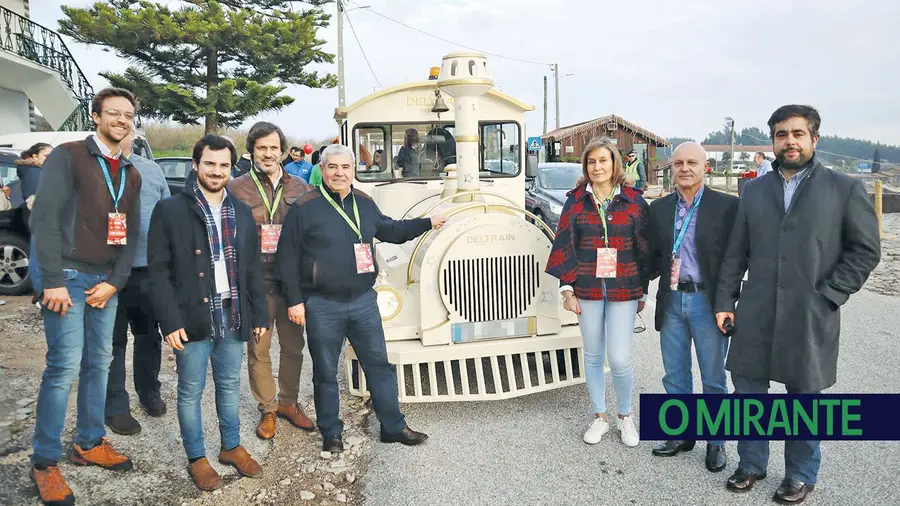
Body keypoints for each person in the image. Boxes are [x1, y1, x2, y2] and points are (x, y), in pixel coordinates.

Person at [715, 105, 881, 504]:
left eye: (797, 134)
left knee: (804, 397)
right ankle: (751, 464)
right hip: (755, 309)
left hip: (810, 312)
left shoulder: (844, 189)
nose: (789, 141)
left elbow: (865, 251)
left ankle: (801, 475)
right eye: (781, 134)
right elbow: (736, 252)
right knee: (749, 392)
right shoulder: (753, 189)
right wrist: (725, 300)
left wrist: (829, 294)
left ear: (814, 139)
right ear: (773, 141)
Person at [276, 144, 447, 452]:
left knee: (379, 366)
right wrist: (295, 300)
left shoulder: (364, 203)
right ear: (322, 170)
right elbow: (286, 257)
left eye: (345, 167)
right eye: (332, 167)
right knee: (326, 372)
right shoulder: (305, 206)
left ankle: (393, 427)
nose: (339, 173)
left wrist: (427, 222)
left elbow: (392, 230)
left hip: (364, 302)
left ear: (354, 171)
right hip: (322, 304)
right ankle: (331, 432)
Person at [28, 87, 143, 506]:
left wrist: (117, 280)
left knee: (102, 361)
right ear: (96, 117)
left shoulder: (129, 172)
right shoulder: (70, 156)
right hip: (69, 279)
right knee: (63, 367)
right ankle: (44, 462)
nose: (122, 119)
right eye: (113, 112)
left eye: (128, 114)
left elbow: (129, 235)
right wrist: (52, 280)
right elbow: (44, 220)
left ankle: (90, 442)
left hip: (104, 284)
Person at [147, 134, 268, 491]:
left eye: (223, 165)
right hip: (190, 318)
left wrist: (258, 314)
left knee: (229, 386)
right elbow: (158, 270)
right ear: (196, 164)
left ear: (232, 168)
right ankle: (197, 457)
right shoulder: (170, 210)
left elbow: (251, 269)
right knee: (190, 390)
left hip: (231, 314)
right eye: (210, 163)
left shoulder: (241, 212)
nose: (216, 171)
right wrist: (168, 321)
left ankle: (231, 446)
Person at [545, 137, 651, 448]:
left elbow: (645, 247)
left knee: (618, 357)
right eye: (591, 162)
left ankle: (625, 416)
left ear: (614, 163)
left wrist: (642, 289)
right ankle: (600, 416)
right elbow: (564, 243)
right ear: (586, 166)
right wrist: (567, 290)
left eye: (603, 160)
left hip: (624, 288)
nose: (597, 167)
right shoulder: (576, 201)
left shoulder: (633, 200)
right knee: (592, 355)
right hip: (587, 288)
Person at [644, 141, 739, 472]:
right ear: (672, 168)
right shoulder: (659, 208)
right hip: (671, 299)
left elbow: (734, 260)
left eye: (691, 163)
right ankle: (681, 434)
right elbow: (651, 257)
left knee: (713, 378)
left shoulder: (727, 207)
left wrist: (728, 302)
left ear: (705, 166)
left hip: (707, 302)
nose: (684, 168)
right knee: (675, 373)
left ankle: (716, 442)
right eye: (678, 163)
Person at [227, 122, 314, 440]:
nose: (267, 153)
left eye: (273, 147)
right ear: (251, 151)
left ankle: (289, 403)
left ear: (282, 150)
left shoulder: (300, 188)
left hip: (291, 284)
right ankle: (268, 409)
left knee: (293, 348)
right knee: (259, 350)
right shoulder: (236, 188)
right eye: (261, 147)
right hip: (256, 282)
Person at [103, 129, 171, 435]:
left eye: (128, 125)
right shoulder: (92, 170)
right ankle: (116, 404)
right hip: (106, 272)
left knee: (148, 336)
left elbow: (167, 216)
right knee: (112, 342)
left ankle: (149, 391)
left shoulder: (152, 170)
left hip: (146, 270)